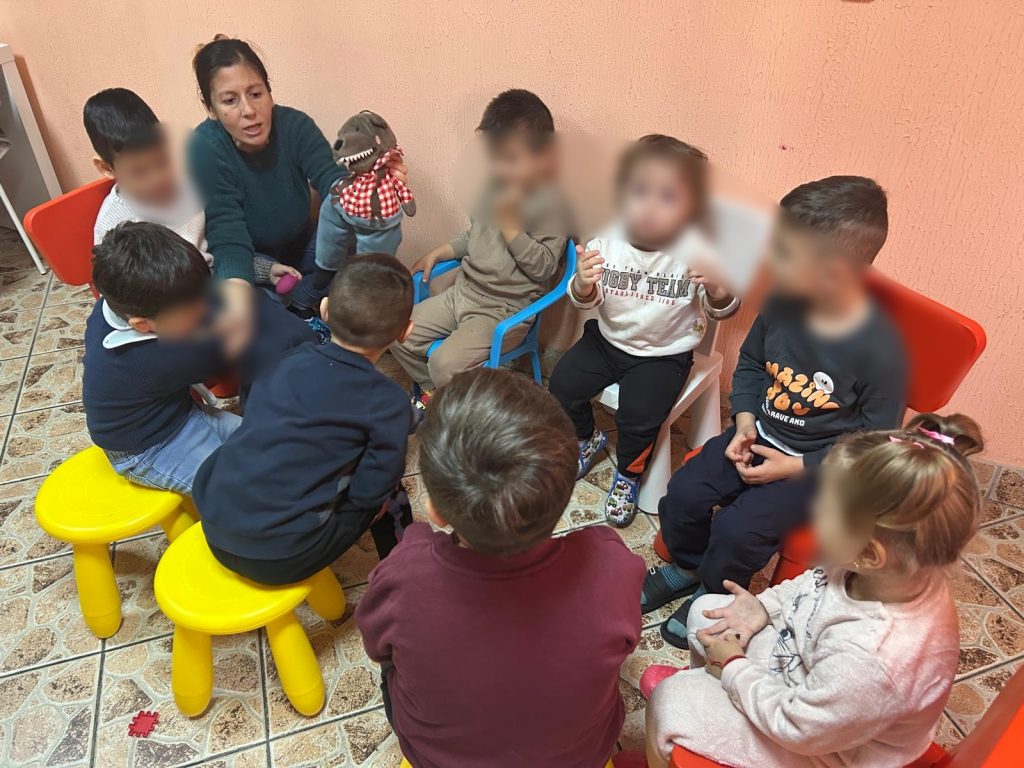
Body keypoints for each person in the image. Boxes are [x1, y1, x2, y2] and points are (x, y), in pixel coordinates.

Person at [643, 175, 907, 648]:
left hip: (814, 468)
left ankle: (712, 589)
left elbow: (874, 444)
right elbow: (750, 365)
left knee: (738, 530)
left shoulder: (880, 350)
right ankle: (687, 566)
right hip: (756, 434)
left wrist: (797, 466)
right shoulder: (782, 305)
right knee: (683, 492)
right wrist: (744, 421)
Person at [644, 414, 982, 768]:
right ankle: (708, 684)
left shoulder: (872, 658)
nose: (814, 509)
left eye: (825, 507)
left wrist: (733, 667)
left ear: (869, 553)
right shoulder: (883, 569)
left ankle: (675, 733)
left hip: (821, 748)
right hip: (805, 674)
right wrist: (763, 606)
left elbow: (799, 727)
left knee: (670, 702)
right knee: (708, 614)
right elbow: (814, 585)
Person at [355, 369, 646, 768]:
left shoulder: (405, 574)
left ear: (434, 510)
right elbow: (626, 639)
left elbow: (377, 647)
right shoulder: (610, 563)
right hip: (580, 757)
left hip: (437, 760)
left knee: (393, 663)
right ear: (564, 498)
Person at [549, 135, 738, 527]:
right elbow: (586, 299)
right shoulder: (607, 244)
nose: (649, 206)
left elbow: (721, 308)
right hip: (608, 340)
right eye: (639, 192)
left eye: (668, 197)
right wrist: (582, 284)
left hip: (663, 354)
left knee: (641, 417)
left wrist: (719, 288)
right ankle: (586, 437)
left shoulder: (697, 252)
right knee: (562, 383)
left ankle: (628, 475)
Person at [193, 253, 416, 584]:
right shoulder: (389, 403)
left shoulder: (285, 359)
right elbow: (372, 487)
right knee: (390, 490)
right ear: (405, 332)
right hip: (282, 558)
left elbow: (252, 413)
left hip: (214, 524)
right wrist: (348, 508)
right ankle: (405, 572)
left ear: (324, 309)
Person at [187, 36, 406, 319]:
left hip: (303, 247)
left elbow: (332, 180)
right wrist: (238, 304)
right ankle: (296, 307)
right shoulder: (205, 148)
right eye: (230, 100)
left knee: (353, 223)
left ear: (269, 92)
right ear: (211, 109)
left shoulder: (294, 125)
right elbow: (228, 237)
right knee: (260, 314)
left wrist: (374, 188)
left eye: (256, 94)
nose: (249, 111)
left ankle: (303, 302)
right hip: (253, 262)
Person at [389, 89, 571, 407]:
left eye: (510, 159)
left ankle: (454, 394)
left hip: (504, 311)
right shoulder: (492, 189)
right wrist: (441, 251)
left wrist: (513, 230)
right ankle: (437, 393)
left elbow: (544, 268)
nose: (499, 169)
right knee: (393, 329)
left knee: (443, 363)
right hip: (463, 292)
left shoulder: (551, 207)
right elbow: (476, 235)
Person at [83, 222, 241, 495]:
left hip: (179, 414)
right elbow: (219, 359)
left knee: (264, 438)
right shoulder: (150, 358)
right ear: (142, 324)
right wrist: (227, 332)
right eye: (191, 313)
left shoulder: (117, 303)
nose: (204, 310)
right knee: (235, 490)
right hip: (147, 449)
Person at [85, 87, 297, 290]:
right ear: (106, 167)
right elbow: (119, 293)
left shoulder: (192, 185)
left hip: (220, 281)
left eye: (163, 161)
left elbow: (223, 242)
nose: (159, 178)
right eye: (140, 172)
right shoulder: (113, 227)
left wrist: (262, 270)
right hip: (172, 305)